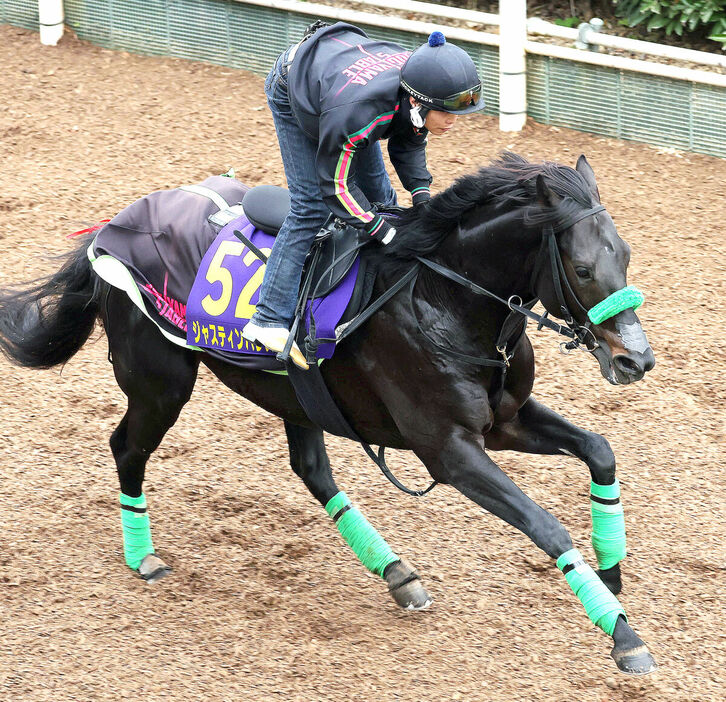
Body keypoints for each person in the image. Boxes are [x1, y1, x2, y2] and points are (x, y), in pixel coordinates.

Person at [242, 22, 485, 369]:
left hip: (348, 85)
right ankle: (268, 318)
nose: (453, 121)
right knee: (311, 207)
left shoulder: (414, 94)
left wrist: (422, 201)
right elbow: (334, 187)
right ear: (417, 100)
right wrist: (383, 231)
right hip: (299, 87)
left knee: (381, 199)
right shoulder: (357, 115)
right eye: (446, 111)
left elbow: (409, 140)